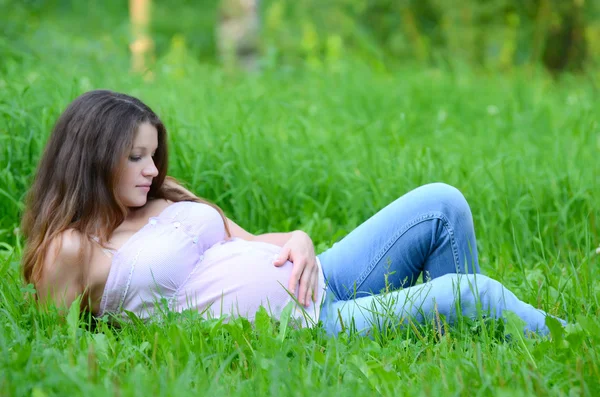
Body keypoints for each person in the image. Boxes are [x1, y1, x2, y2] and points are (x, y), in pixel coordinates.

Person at [21, 90, 566, 337]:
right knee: (475, 294)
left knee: (442, 203)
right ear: (92, 156)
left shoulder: (163, 196)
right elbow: (52, 345)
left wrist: (300, 238)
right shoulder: (73, 250)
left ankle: (452, 341)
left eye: (152, 153)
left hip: (320, 274)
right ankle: (571, 337)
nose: (150, 168)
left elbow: (250, 238)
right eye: (134, 156)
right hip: (305, 323)